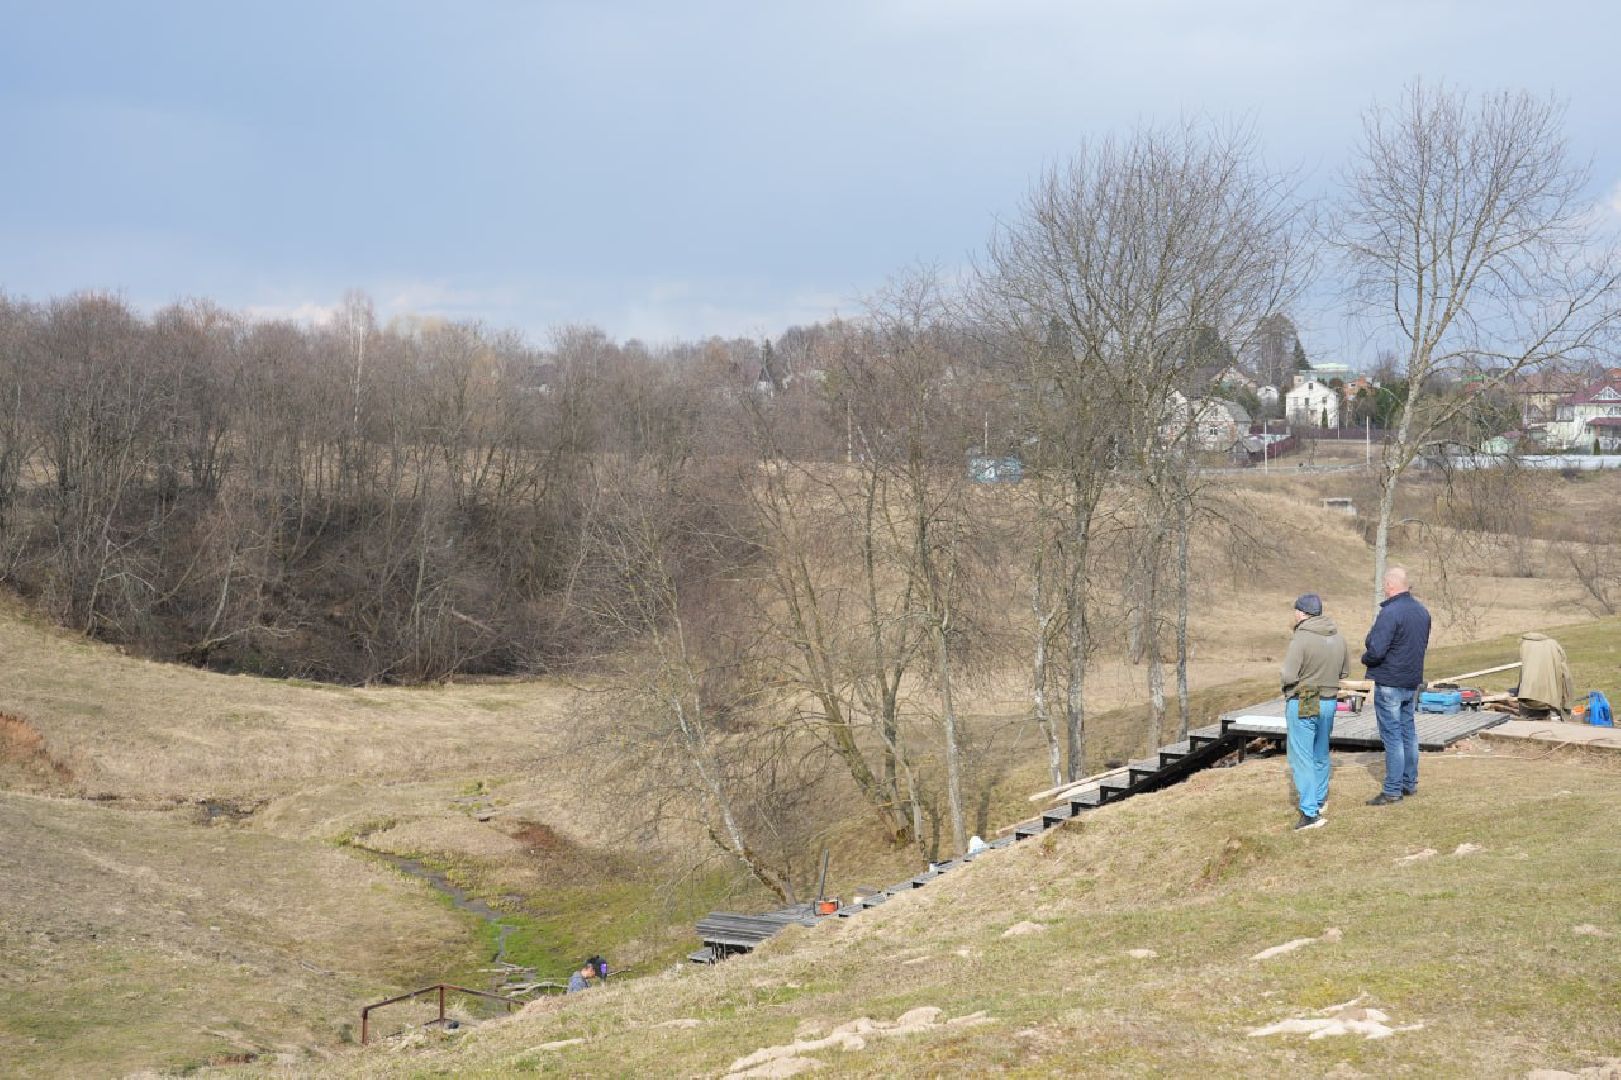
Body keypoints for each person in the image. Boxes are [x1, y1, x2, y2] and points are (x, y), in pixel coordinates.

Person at [1361, 566, 1432, 805]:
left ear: (1390, 585)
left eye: (1385, 585)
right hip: (1411, 680)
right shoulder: (1422, 612)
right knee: (1408, 733)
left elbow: (1376, 649)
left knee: (1392, 736)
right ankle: (1408, 782)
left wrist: (1366, 658)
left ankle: (1393, 790)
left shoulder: (1390, 612)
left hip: (1390, 681)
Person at [1280, 592, 1348, 831]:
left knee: (1302, 756)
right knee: (1320, 752)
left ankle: (1310, 814)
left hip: (1306, 697)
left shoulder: (1301, 638)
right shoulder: (1338, 637)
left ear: (1301, 613)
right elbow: (1344, 672)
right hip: (1329, 700)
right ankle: (1319, 800)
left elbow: (1289, 675)